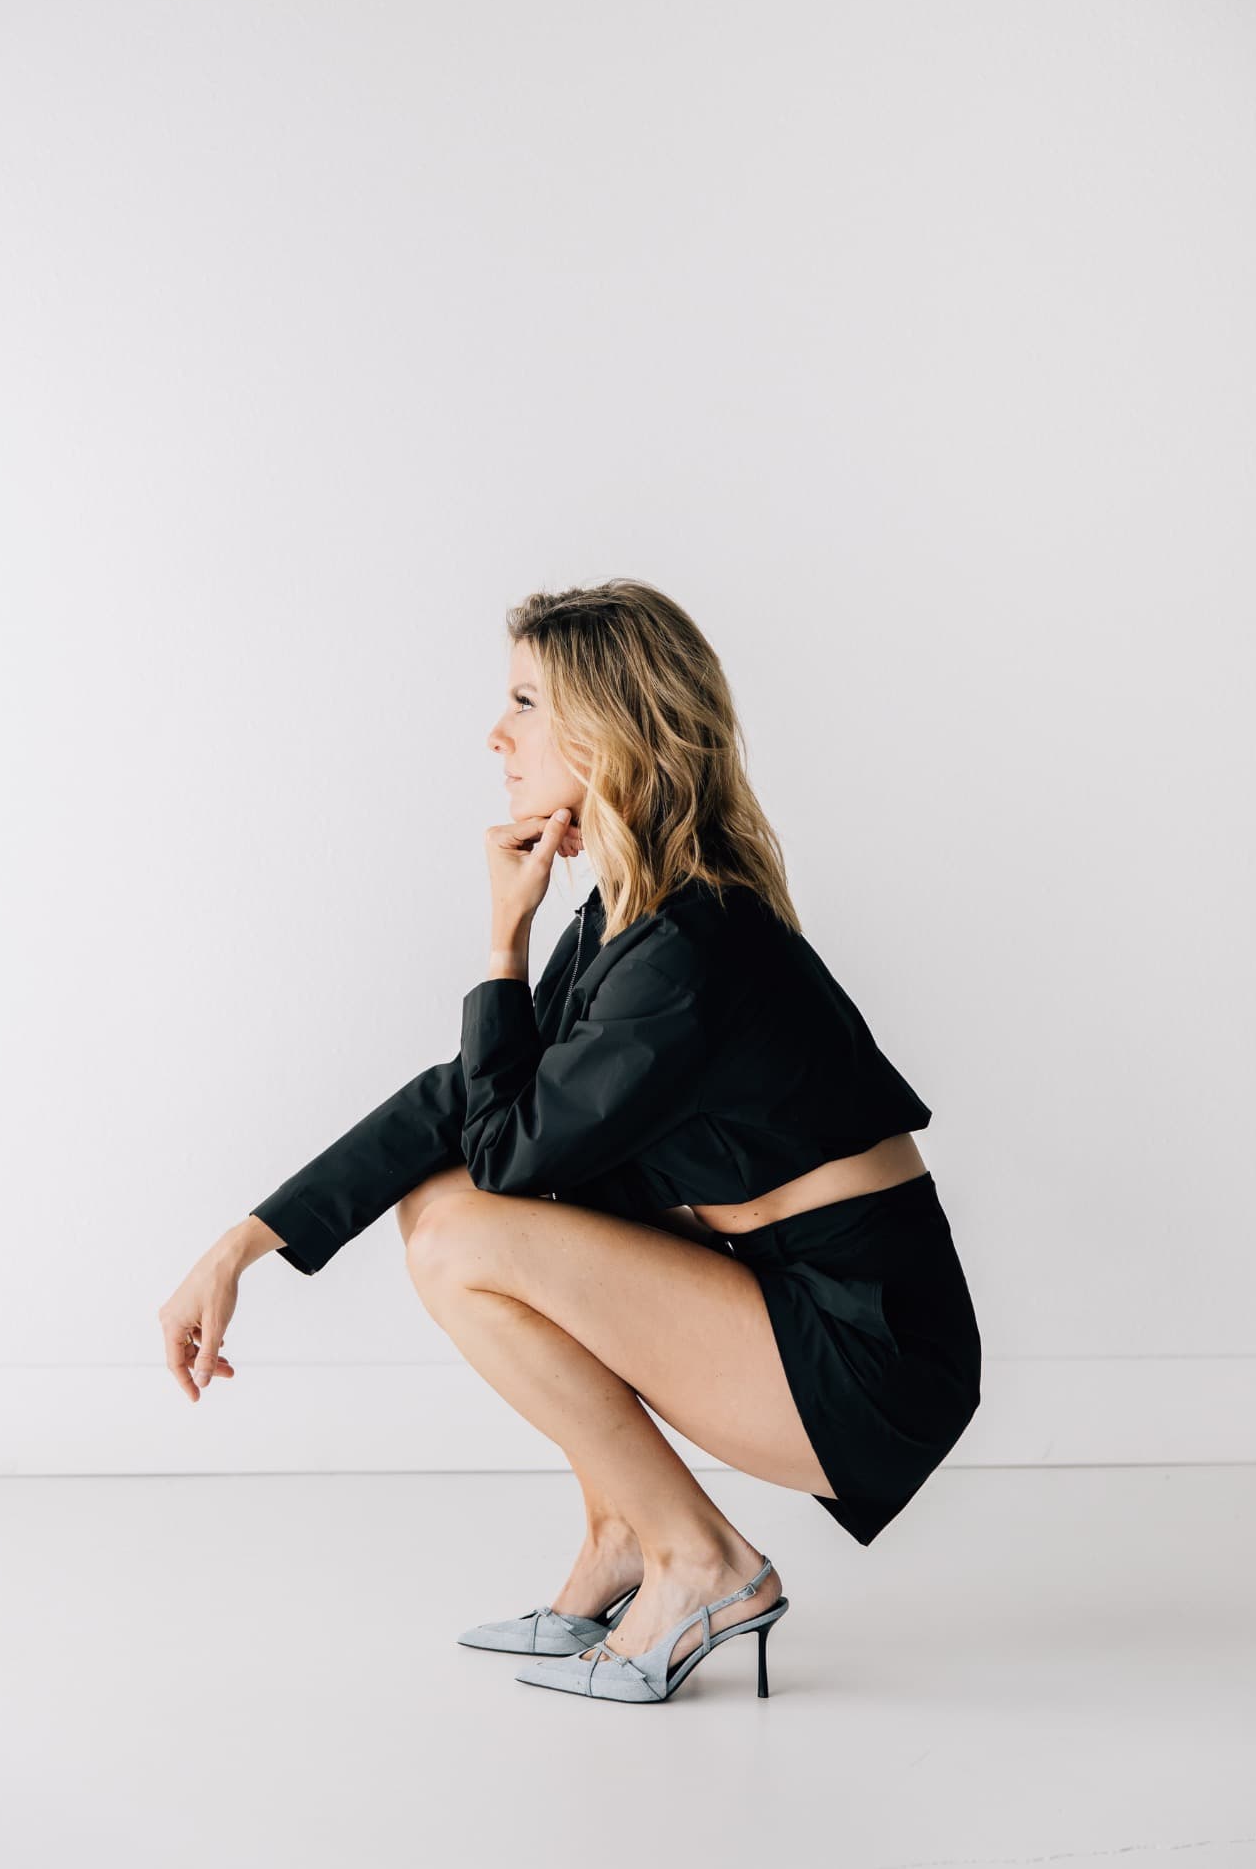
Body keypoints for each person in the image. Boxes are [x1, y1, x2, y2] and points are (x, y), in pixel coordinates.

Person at [157, 580, 982, 1706]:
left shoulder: (691, 949)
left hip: (864, 1356)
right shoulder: (632, 917)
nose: (496, 736)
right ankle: (623, 1536)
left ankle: (701, 1561)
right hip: (804, 1308)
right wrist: (243, 1244)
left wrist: (503, 937)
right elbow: (464, 1099)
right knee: (445, 1201)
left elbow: (508, 1154)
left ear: (611, 725)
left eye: (525, 703)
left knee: (462, 1232)